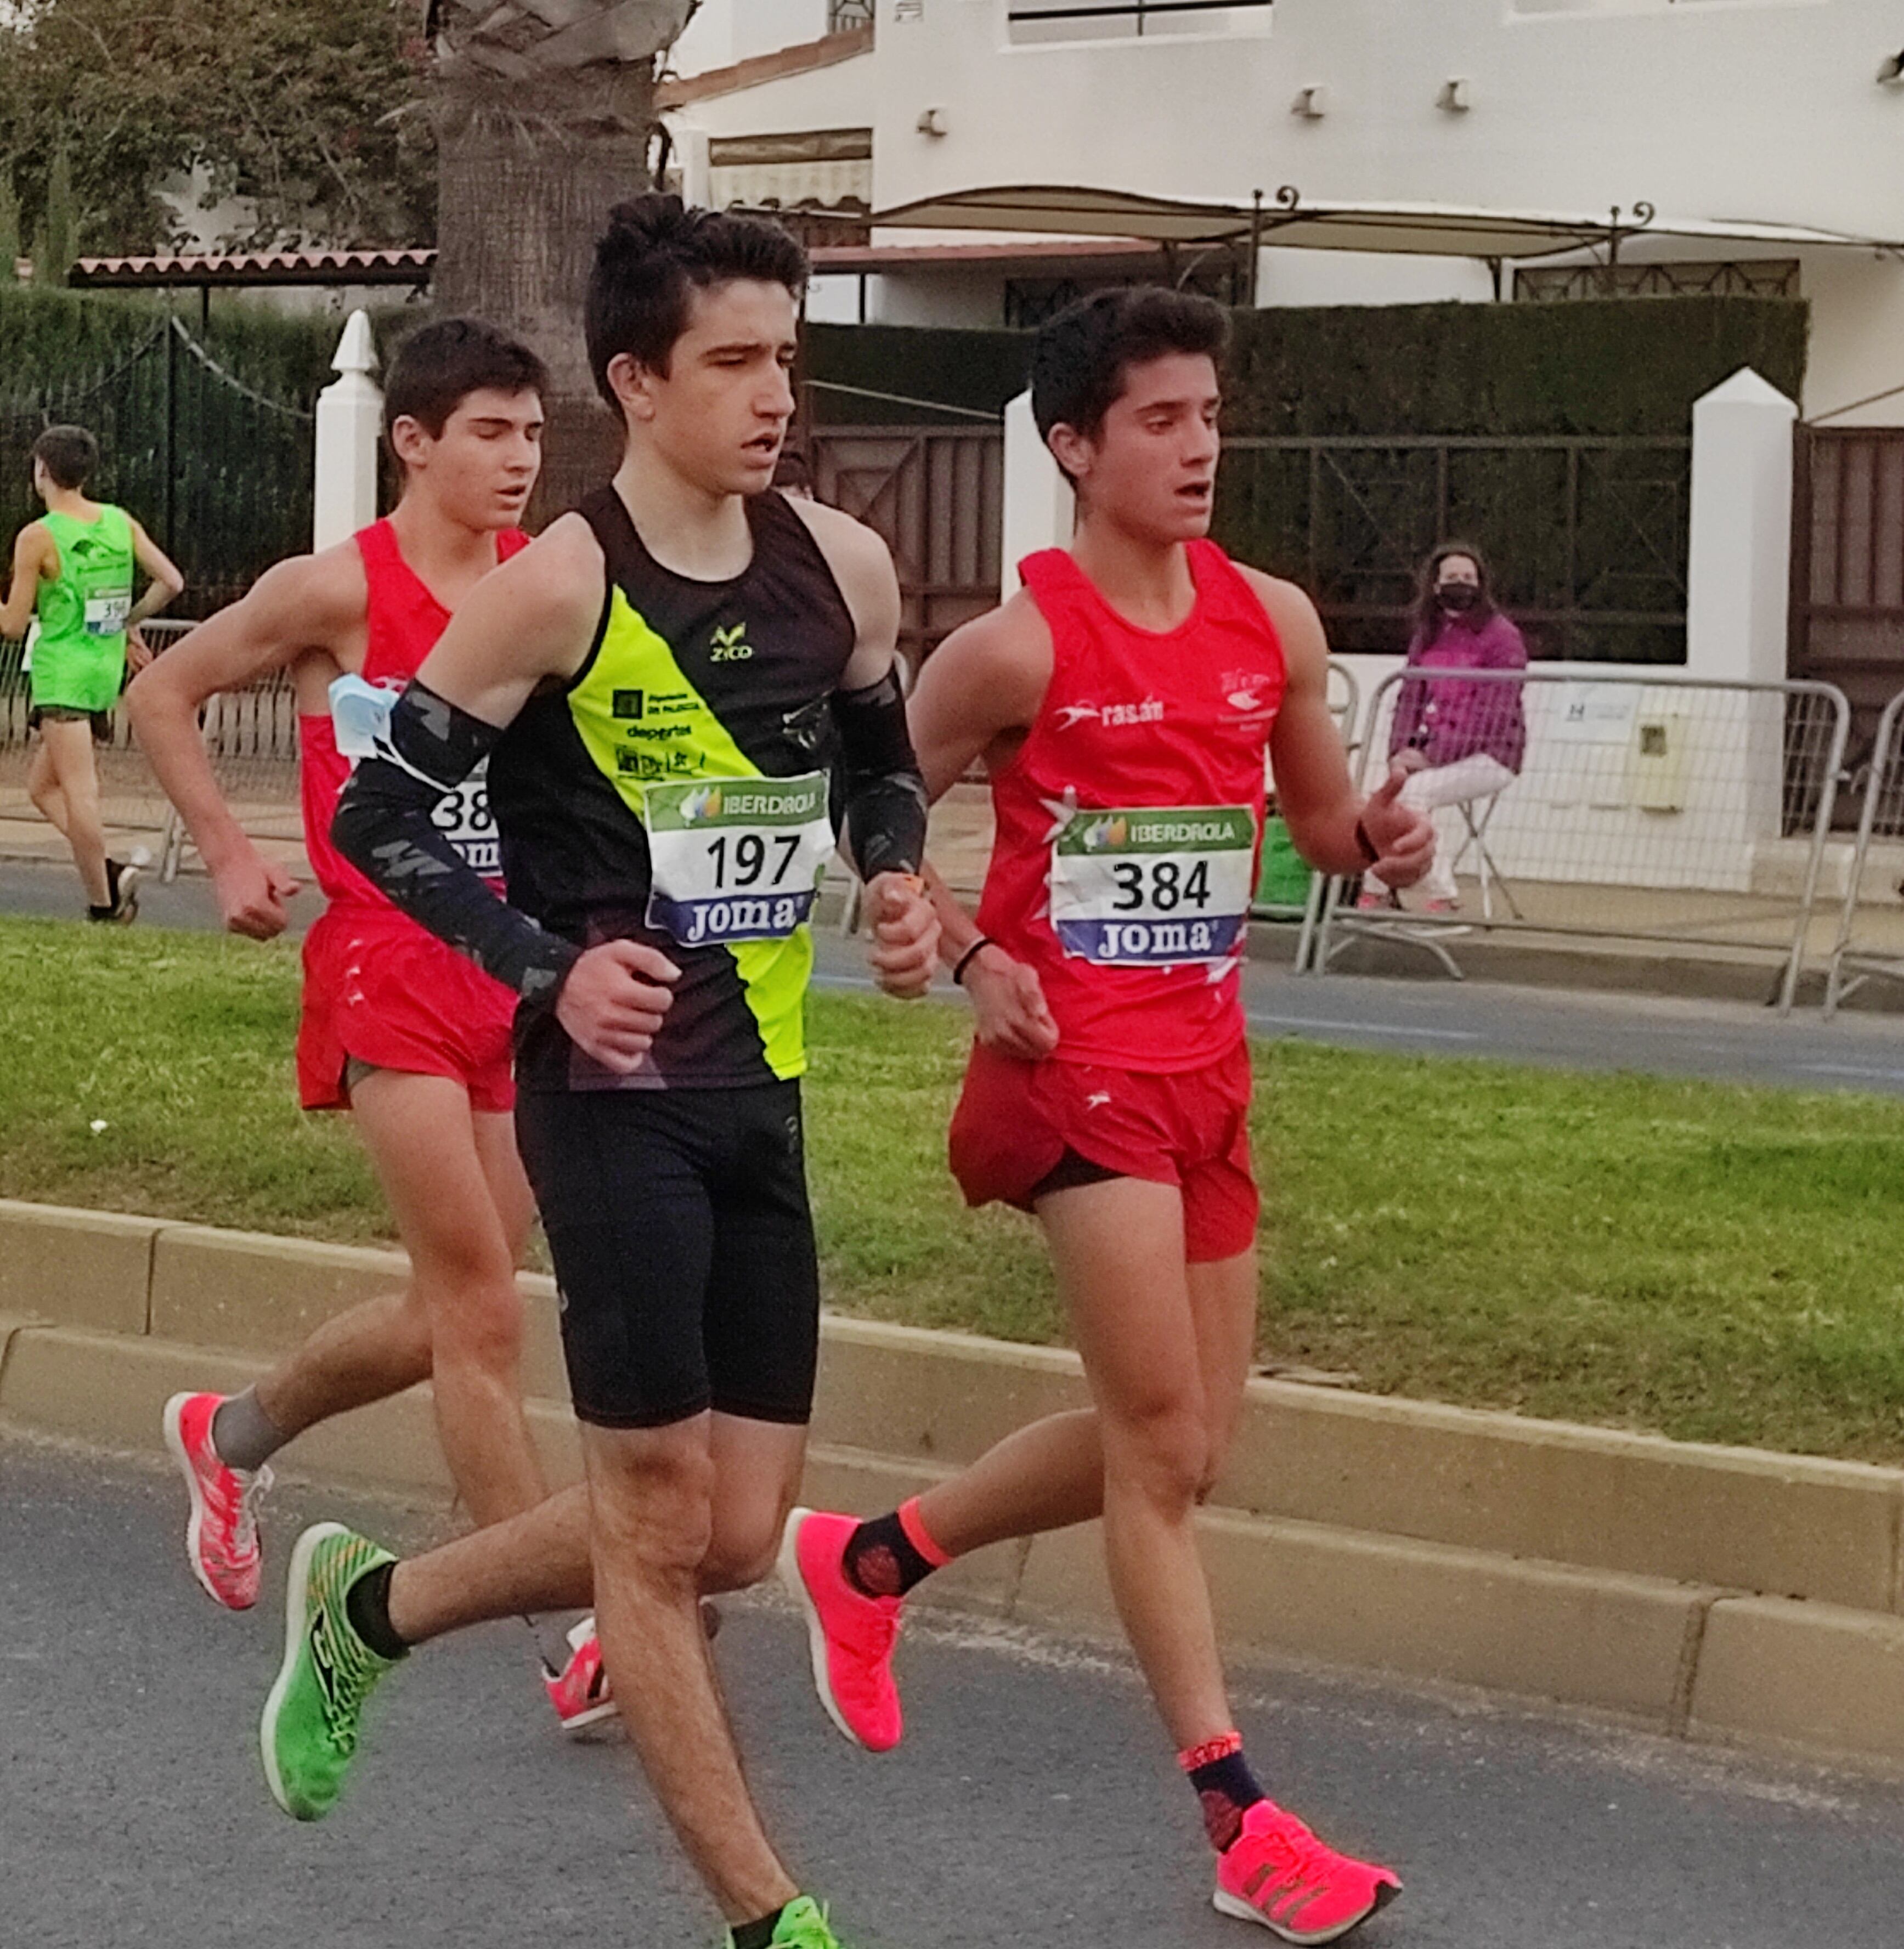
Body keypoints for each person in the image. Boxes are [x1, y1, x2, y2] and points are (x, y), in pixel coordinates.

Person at [265, 197, 936, 1949]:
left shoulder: (841, 565)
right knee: (651, 1519)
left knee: (734, 1526)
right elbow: (376, 812)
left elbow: (880, 751)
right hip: (609, 1097)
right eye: (731, 360)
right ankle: (761, 1911)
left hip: (761, 1091)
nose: (772, 392)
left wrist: (891, 865)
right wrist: (552, 974)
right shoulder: (558, 584)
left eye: (785, 355)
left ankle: (373, 1608)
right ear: (634, 383)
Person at [776, 287, 1435, 1946]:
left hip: (1206, 1070)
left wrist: (1379, 840)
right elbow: (874, 804)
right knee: (1154, 1445)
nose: (1198, 443)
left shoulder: (1269, 619)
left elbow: (1312, 823)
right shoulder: (1022, 642)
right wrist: (966, 939)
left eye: (1206, 413)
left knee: (1191, 1441)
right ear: (1072, 444)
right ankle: (1238, 1816)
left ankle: (867, 1560)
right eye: (1157, 418)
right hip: (1068, 1073)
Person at [126, 320, 603, 1727]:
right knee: (478, 1313)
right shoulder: (338, 586)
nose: (519, 462)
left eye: (531, 437)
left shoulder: (549, 589)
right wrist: (224, 850)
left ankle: (233, 1432)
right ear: (413, 440)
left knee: (449, 1309)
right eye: (490, 434)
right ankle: (563, 1632)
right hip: (385, 959)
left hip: (513, 964)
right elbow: (163, 690)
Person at [1, 424, 183, 922]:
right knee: (42, 789)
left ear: (42, 470)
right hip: (103, 672)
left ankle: (104, 905)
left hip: (62, 673)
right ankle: (108, 869)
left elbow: (14, 625)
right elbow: (170, 580)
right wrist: (129, 622)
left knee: (80, 793)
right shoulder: (118, 522)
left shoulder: (38, 536)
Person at [1357, 541, 1527, 915]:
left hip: (1492, 753)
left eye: (1469, 577)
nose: (1461, 583)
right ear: (1435, 585)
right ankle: (1377, 885)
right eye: (1452, 577)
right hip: (1434, 748)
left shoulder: (1502, 637)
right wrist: (1398, 752)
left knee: (1413, 794)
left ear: (1481, 584)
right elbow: (1409, 697)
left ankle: (1443, 893)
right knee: (1384, 795)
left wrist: (1431, 756)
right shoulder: (1428, 633)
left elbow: (1492, 715)